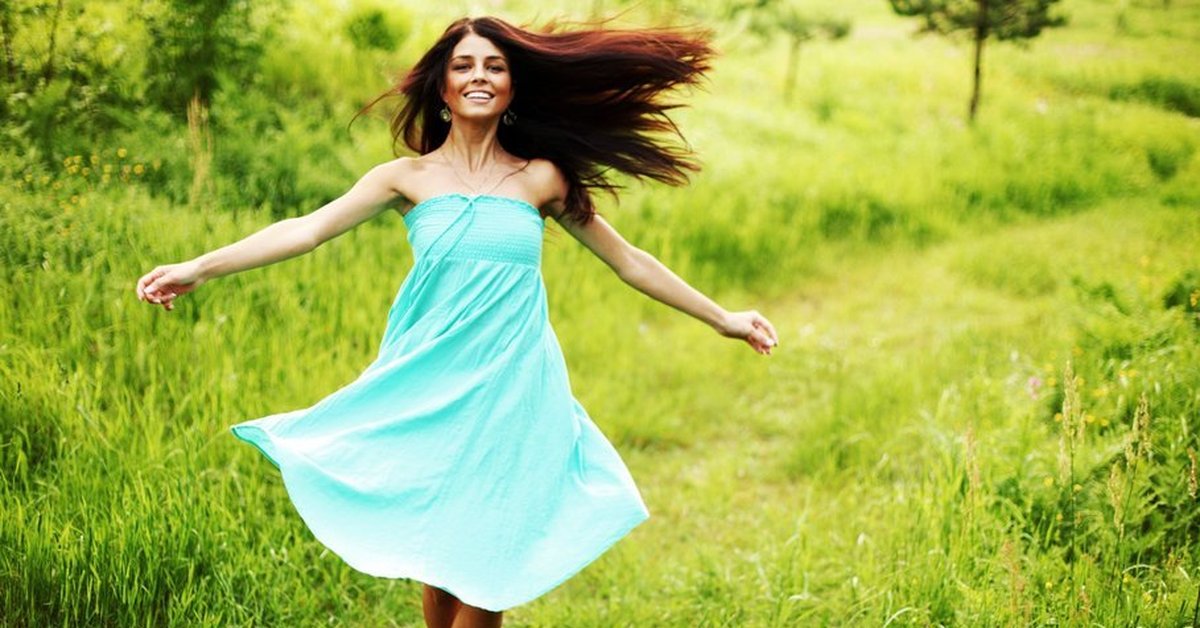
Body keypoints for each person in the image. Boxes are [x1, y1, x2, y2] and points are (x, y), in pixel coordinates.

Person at [135, 15, 779, 628]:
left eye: (495, 67)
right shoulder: (405, 178)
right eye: (464, 65)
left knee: (487, 554)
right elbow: (307, 230)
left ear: (512, 88)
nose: (479, 76)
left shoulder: (541, 179)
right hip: (427, 378)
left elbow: (629, 261)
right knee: (442, 544)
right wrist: (200, 267)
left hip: (512, 383)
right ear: (442, 87)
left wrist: (722, 317)